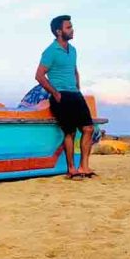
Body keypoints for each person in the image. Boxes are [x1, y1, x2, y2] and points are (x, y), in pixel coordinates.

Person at [35, 15, 96, 178]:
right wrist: (55, 93)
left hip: (76, 95)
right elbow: (39, 76)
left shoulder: (73, 50)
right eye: (68, 27)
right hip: (61, 96)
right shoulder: (50, 51)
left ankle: (84, 167)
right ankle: (71, 169)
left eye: (71, 26)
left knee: (88, 129)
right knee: (70, 133)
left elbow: (74, 70)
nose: (72, 30)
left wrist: (78, 88)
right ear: (58, 31)